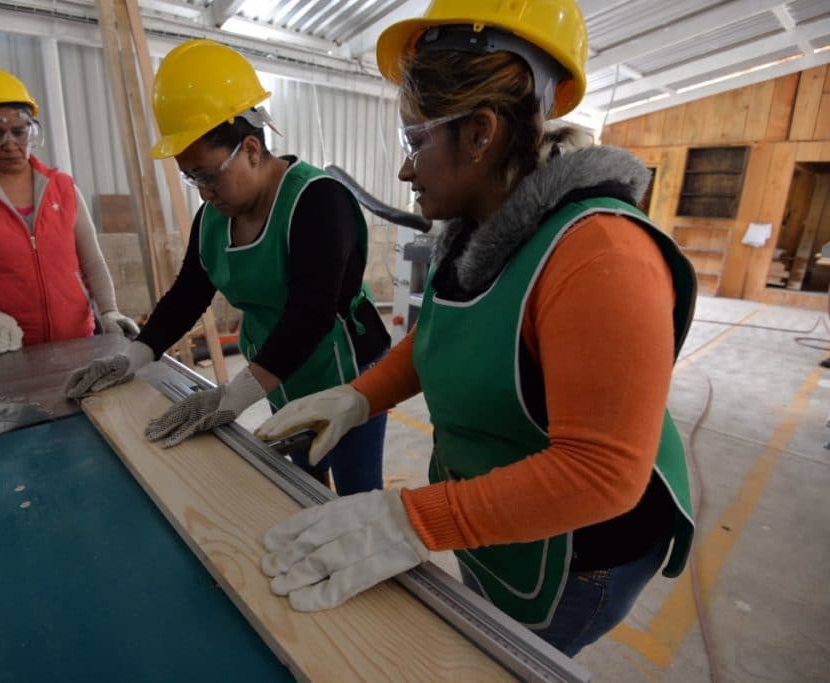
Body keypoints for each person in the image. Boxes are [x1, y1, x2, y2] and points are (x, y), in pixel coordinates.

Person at [254, 0, 697, 658]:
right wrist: (359, 397)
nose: (404, 171)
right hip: (494, 520)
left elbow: (602, 472)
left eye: (414, 142)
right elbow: (441, 337)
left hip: (575, 555)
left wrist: (412, 518)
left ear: (483, 131)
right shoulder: (478, 230)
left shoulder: (601, 254)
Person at [64, 40, 391, 496]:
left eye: (208, 175)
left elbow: (311, 313)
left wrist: (232, 398)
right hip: (278, 372)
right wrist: (133, 357)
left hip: (345, 371)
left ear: (252, 150)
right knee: (302, 483)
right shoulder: (215, 218)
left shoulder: (317, 201)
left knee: (358, 496)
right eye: (191, 177)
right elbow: (187, 295)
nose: (203, 192)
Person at [0, 65, 139, 355]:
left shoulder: (62, 187)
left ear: (31, 131)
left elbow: (91, 259)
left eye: (19, 132)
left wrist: (110, 311)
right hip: (7, 348)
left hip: (77, 340)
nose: (9, 144)